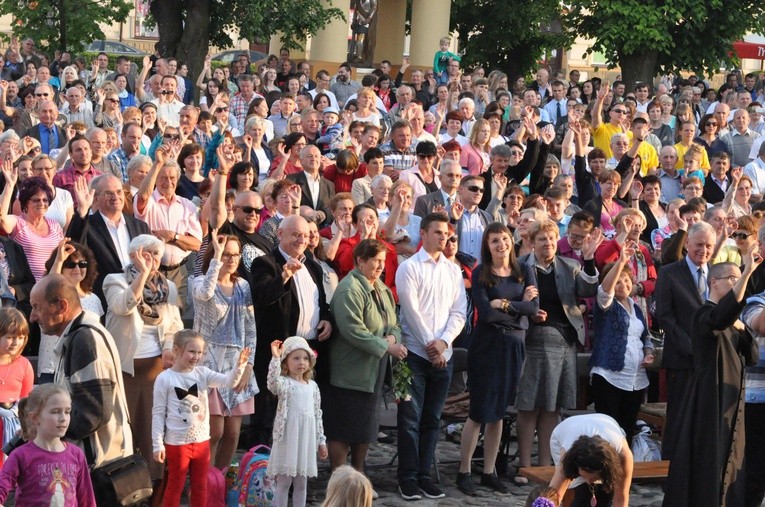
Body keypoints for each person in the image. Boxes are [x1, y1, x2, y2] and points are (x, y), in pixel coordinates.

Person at [663, 251, 761, 506]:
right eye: (733, 278)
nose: (737, 283)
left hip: (733, 404)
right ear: (714, 282)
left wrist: (743, 328)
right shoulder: (703, 315)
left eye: (739, 279)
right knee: (710, 463)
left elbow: (751, 355)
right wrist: (749, 271)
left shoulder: (734, 323)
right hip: (709, 402)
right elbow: (720, 317)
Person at [456, 223, 538, 495]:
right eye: (494, 241)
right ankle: (464, 471)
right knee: (480, 410)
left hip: (514, 346)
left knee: (499, 412)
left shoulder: (524, 270)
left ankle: (489, 471)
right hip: (487, 346)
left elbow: (534, 308)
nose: (501, 244)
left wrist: (503, 304)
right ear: (487, 246)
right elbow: (485, 314)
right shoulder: (481, 272)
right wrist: (519, 310)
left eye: (504, 238)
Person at [516, 220, 601, 474]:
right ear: (531, 242)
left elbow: (588, 289)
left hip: (564, 343)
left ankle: (544, 465)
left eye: (552, 239)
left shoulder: (570, 266)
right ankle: (524, 465)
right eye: (542, 239)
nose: (548, 244)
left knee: (552, 406)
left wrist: (588, 259)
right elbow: (513, 301)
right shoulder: (520, 268)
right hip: (533, 341)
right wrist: (527, 312)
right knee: (529, 404)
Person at [395, 213, 467, 500]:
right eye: (437, 232)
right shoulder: (409, 268)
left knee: (433, 419)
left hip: (443, 355)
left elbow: (459, 311)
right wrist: (430, 344)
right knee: (410, 419)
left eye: (446, 233)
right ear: (423, 234)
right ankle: (408, 477)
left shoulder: (452, 271)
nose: (442, 237)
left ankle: (425, 475)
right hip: (415, 353)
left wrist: (444, 341)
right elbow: (410, 312)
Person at [102, 234, 184, 480]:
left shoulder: (167, 287)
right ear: (133, 255)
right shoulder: (114, 280)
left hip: (155, 369)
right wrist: (142, 275)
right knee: (123, 431)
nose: (153, 259)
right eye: (146, 253)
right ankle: (123, 485)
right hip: (124, 369)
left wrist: (169, 347)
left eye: (157, 254)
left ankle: (153, 486)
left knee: (152, 431)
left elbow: (174, 326)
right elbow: (123, 306)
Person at [30, 274, 133, 467]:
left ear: (61, 306)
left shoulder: (85, 338)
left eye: (37, 307)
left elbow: (92, 413)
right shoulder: (80, 335)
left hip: (99, 467)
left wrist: (45, 432)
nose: (32, 316)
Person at [326, 239, 405, 477]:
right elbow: (353, 330)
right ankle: (339, 477)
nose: (381, 266)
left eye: (383, 261)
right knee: (343, 427)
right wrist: (386, 346)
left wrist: (392, 338)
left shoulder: (381, 288)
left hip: (374, 369)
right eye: (376, 260)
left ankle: (359, 473)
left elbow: (395, 323)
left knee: (366, 426)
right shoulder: (349, 289)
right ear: (360, 260)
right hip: (351, 371)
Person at [152, 330, 249, 507]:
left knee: (200, 486)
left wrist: (240, 366)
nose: (196, 356)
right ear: (176, 350)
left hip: (202, 441)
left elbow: (229, 382)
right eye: (191, 351)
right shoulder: (164, 378)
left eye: (200, 352)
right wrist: (157, 444)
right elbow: (158, 413)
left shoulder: (203, 373)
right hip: (177, 443)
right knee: (175, 486)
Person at [191, 232, 257, 469]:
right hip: (210, 363)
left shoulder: (243, 285)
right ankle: (203, 478)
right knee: (214, 431)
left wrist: (249, 365)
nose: (232, 259)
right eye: (226, 254)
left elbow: (250, 327)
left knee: (232, 433)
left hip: (237, 362)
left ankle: (220, 479)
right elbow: (205, 294)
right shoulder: (199, 281)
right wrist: (216, 258)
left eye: (235, 255)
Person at [655, 221, 716, 460]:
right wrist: (692, 349)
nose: (704, 250)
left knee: (704, 418)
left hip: (711, 361)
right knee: (679, 417)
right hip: (682, 359)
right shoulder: (669, 273)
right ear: (687, 242)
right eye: (699, 244)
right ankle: (670, 469)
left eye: (708, 245)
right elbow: (665, 317)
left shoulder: (716, 273)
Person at [590, 242, 655, 443]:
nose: (623, 285)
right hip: (609, 376)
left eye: (626, 281)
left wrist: (649, 351)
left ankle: (623, 472)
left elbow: (646, 336)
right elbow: (605, 291)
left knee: (627, 429)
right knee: (607, 431)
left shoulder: (635, 307)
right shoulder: (606, 304)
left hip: (635, 379)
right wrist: (621, 261)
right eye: (618, 281)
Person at [0, 384, 96, 507]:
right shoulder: (21, 456)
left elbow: (87, 500)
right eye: (55, 412)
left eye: (67, 412)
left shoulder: (76, 454)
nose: (63, 418)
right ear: (34, 418)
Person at [267, 337, 328, 507]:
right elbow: (272, 384)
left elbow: (317, 414)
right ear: (286, 362)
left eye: (305, 358)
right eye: (295, 358)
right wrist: (275, 358)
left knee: (302, 483)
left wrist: (321, 441)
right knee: (284, 482)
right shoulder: (285, 383)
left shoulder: (313, 387)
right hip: (288, 438)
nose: (301, 362)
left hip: (305, 440)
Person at [549, 413, 634, 507]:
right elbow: (554, 495)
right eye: (584, 475)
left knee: (605, 494)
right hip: (564, 432)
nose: (589, 481)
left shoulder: (623, 454)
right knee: (579, 492)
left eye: (594, 477)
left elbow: (621, 498)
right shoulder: (568, 454)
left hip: (606, 424)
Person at [0, 308, 32, 463]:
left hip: (14, 426)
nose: (16, 342)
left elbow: (26, 400)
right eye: (10, 337)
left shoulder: (24, 364)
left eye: (20, 337)